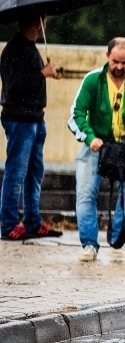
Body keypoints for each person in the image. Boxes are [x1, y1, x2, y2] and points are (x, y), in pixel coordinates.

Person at [67, 38, 125, 262]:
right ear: (107, 56)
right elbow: (76, 114)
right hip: (97, 145)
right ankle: (89, 243)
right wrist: (90, 137)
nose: (119, 67)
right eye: (115, 61)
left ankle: (118, 237)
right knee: (85, 192)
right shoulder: (92, 80)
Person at [0, 14, 63, 241]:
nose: (45, 26)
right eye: (44, 22)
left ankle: (32, 221)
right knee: (16, 173)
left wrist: (43, 74)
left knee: (34, 173)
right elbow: (15, 86)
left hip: (35, 118)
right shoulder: (15, 49)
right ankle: (8, 225)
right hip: (20, 119)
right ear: (38, 23)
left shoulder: (30, 48)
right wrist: (41, 73)